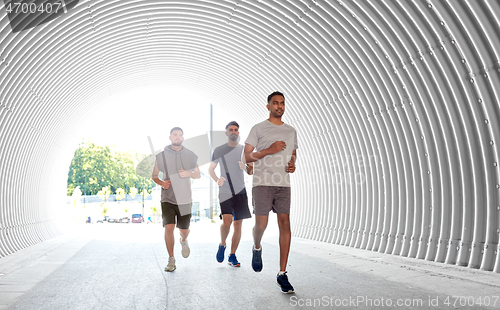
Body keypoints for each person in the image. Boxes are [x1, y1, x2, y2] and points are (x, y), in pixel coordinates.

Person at [244, 91, 298, 293]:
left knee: (285, 223)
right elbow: (247, 157)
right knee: (261, 224)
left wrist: (293, 164)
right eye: (275, 103)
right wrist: (269, 150)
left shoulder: (291, 131)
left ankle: (282, 273)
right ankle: (256, 246)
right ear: (268, 106)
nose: (279, 106)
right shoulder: (258, 129)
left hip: (283, 184)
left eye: (282, 103)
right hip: (262, 182)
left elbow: (292, 154)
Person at [152, 127, 200, 272]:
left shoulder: (190, 155)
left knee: (184, 230)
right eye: (175, 135)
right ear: (170, 137)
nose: (177, 137)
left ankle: (183, 240)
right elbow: (154, 176)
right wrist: (162, 183)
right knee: (169, 227)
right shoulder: (161, 155)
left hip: (185, 198)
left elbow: (197, 174)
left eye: (180, 135)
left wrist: (188, 173)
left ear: (183, 138)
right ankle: (171, 259)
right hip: (167, 198)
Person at [208, 121, 253, 267]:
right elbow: (211, 169)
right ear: (226, 133)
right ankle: (222, 244)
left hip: (240, 190)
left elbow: (251, 171)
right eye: (231, 129)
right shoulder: (219, 150)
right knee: (226, 222)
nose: (233, 131)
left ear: (238, 132)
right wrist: (217, 180)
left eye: (236, 130)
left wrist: (245, 167)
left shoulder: (243, 150)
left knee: (238, 224)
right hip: (225, 190)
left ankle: (232, 255)